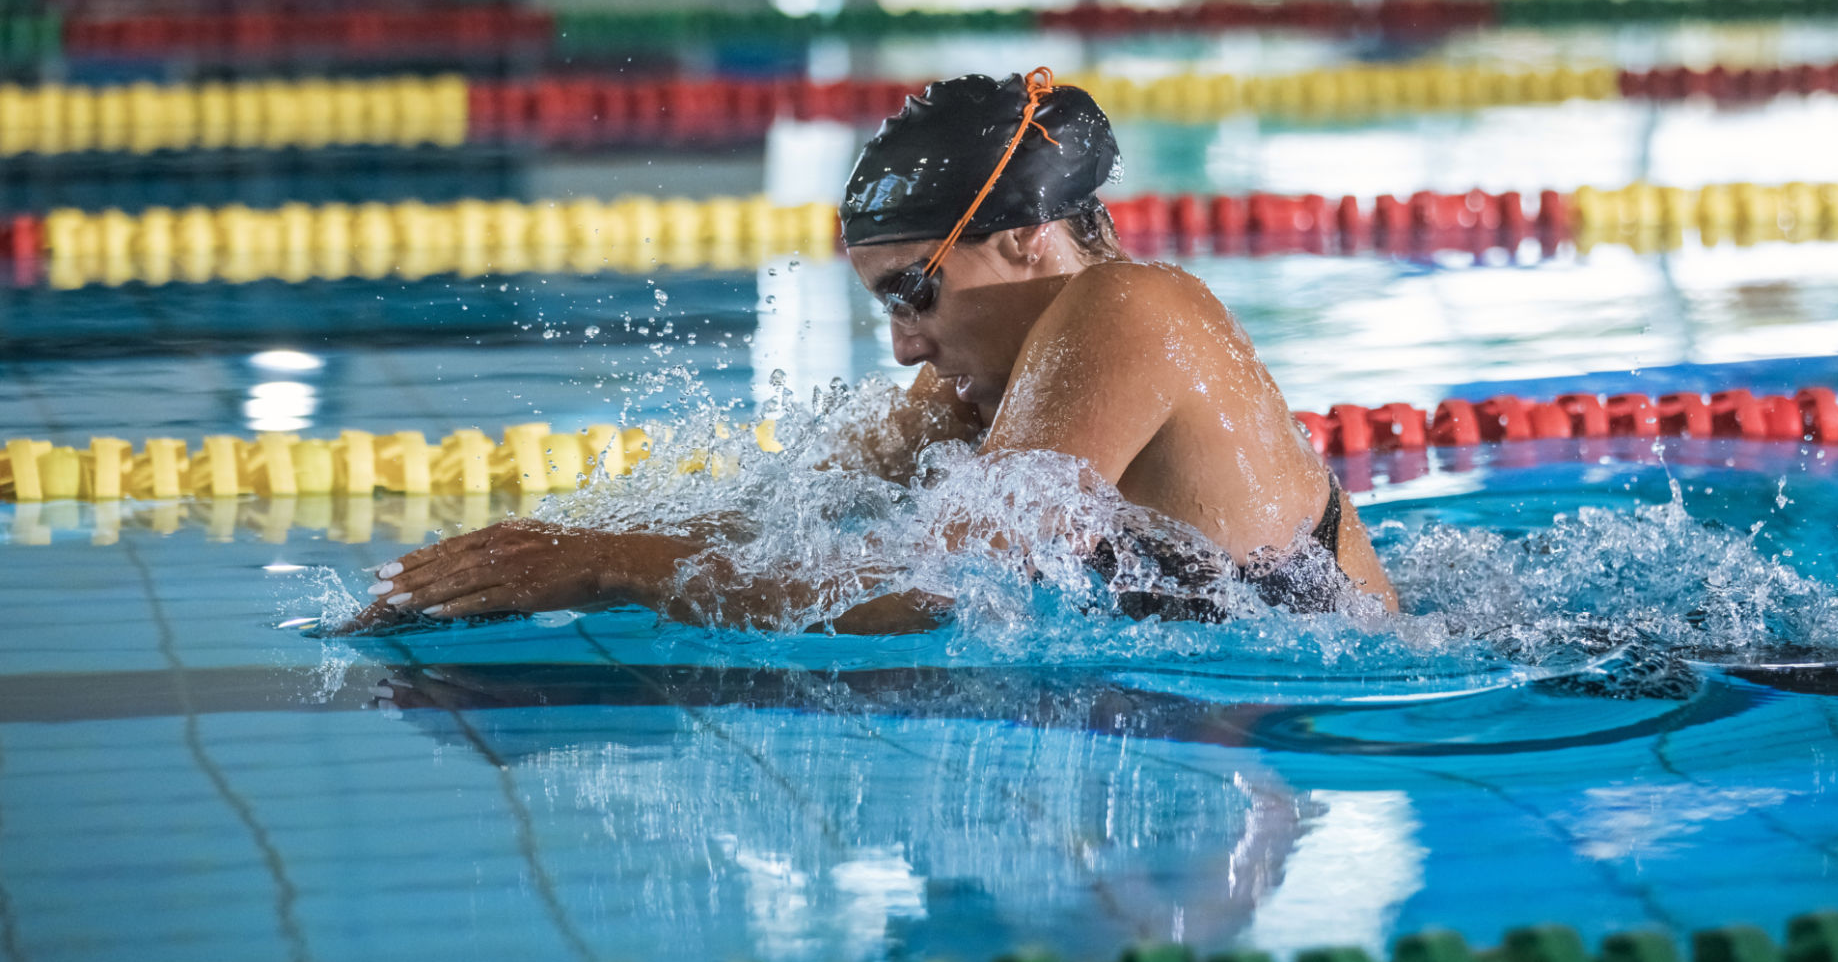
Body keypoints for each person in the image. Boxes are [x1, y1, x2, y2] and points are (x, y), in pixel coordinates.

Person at [346, 69, 1396, 635]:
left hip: (1341, 709)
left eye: (915, 293)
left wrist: (610, 567)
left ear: (1024, 239)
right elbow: (777, 514)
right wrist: (532, 549)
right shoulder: (984, 392)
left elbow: (940, 588)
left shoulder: (1124, 307)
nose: (901, 349)